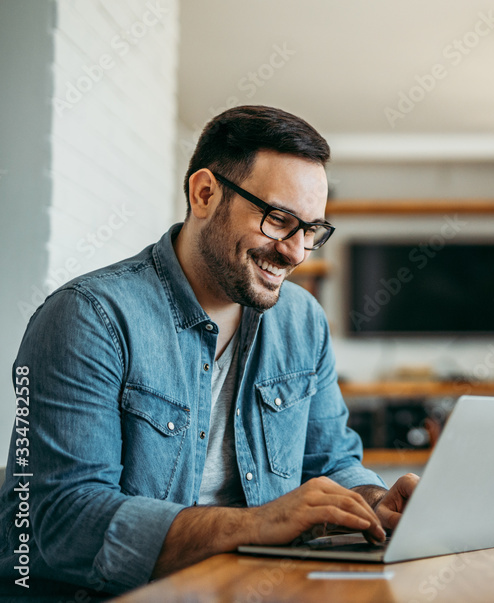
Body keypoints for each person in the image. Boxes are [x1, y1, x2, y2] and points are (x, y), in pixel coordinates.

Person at [0, 105, 418, 595]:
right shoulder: (88, 317)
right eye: (278, 220)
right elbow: (56, 524)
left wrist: (371, 499)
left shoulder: (303, 321)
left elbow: (331, 463)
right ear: (204, 194)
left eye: (311, 231)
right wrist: (258, 523)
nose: (295, 252)